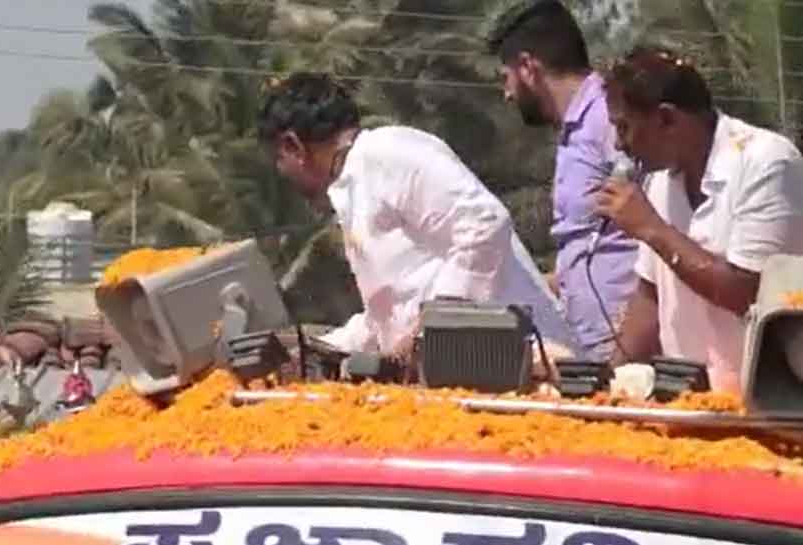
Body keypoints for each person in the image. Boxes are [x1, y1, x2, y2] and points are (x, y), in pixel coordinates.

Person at [257, 72, 575, 358]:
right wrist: (318, 352)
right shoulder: (354, 187)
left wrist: (432, 326)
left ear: (293, 146)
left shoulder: (387, 152)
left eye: (278, 159)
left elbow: (484, 225)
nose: (281, 173)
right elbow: (388, 317)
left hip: (532, 364)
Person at [596, 46, 803, 393]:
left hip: (768, 404)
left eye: (625, 127)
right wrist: (606, 382)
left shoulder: (767, 163)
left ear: (666, 119)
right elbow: (650, 297)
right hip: (690, 400)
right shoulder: (661, 181)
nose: (619, 144)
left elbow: (747, 294)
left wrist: (652, 229)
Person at [488, 0, 638, 362]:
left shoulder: (608, 117)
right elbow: (591, 245)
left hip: (631, 352)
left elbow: (652, 222)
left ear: (527, 68)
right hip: (591, 348)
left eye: (505, 77)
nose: (506, 93)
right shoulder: (574, 132)